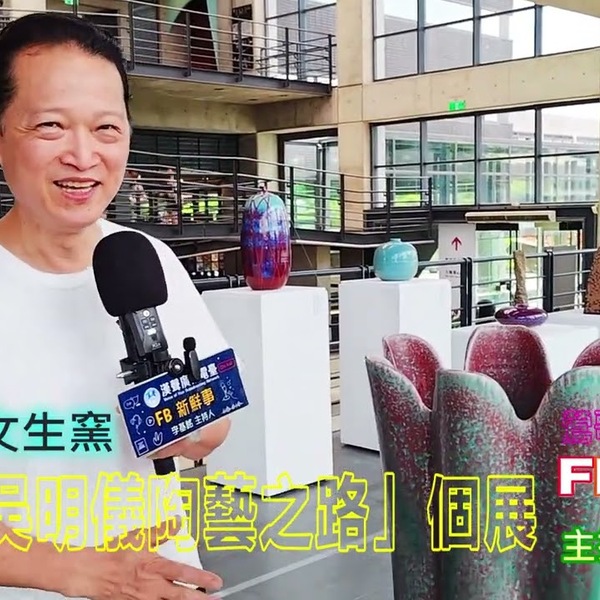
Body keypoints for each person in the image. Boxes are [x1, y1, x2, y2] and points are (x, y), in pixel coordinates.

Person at [0, 12, 232, 600]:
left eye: (107, 128)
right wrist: (79, 573)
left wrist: (189, 428)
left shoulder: (148, 258)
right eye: (51, 125)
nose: (83, 156)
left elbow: (214, 422)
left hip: (165, 582)